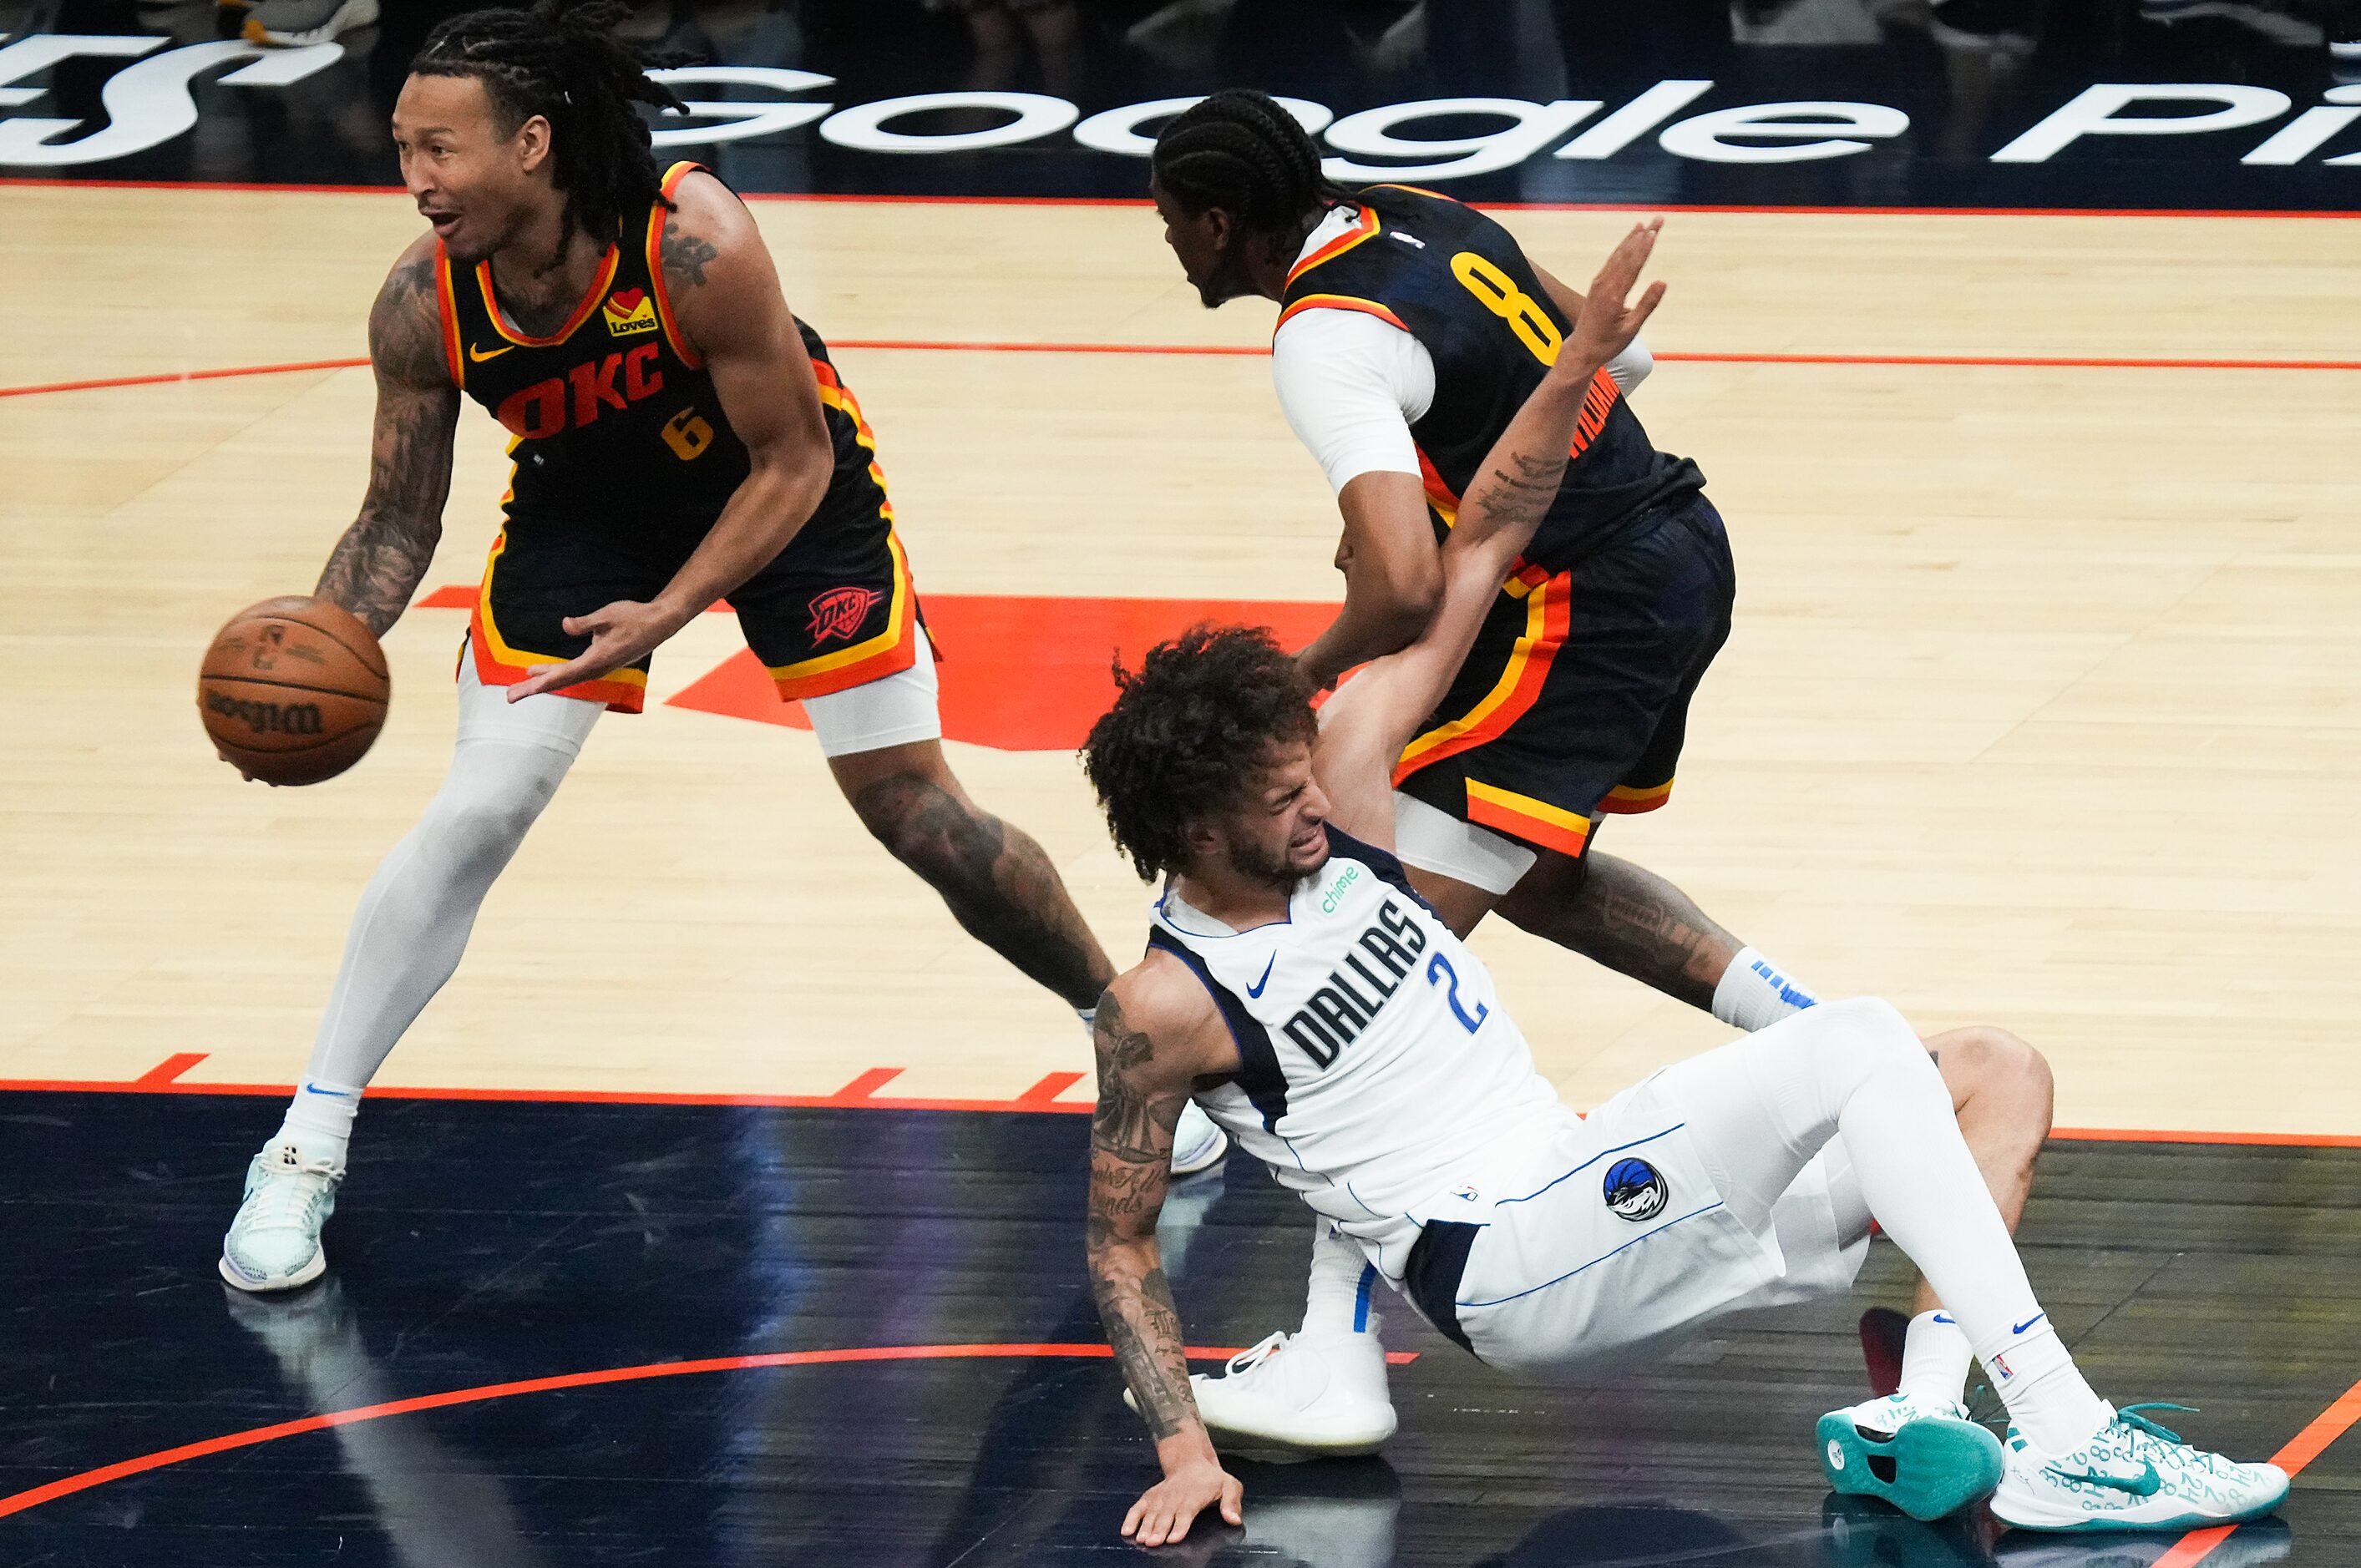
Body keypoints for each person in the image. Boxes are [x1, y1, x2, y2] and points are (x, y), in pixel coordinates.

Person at [1077, 220, 2287, 1546]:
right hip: (1505, 1266)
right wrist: (1185, 1448)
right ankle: (2070, 1440)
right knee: (1857, 1041)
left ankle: (1921, 1418)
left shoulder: (1346, 774)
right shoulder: (1164, 1004)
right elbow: (1122, 1244)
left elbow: (1483, 535)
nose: (1317, 804)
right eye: (1277, 801)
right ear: (1192, 833)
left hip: (1590, 1190)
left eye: (1307, 778)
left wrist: (1576, 362)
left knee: (1995, 1070)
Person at [218, 0, 1224, 1295]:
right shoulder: (424, 299)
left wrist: (676, 611)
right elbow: (400, 513)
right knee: (476, 809)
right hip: (589, 510)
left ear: (531, 144)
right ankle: (305, 1144)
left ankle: (1122, 1031)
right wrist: (320, 649)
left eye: (440, 151)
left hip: (786, 492)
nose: (414, 180)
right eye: (404, 149)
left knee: (916, 810)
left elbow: (793, 458)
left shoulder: (694, 242)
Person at [1145, 86, 1821, 1450]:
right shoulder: (1423, 217)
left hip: (1585, 599)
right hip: (1672, 542)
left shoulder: (1322, 335)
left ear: (1221, 221)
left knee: (1358, 930)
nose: (1168, 246)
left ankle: (1337, 1359)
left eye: (1171, 223)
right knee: (1522, 868)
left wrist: (1295, 682)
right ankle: (1804, 1027)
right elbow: (1608, 364)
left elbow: (1397, 583)